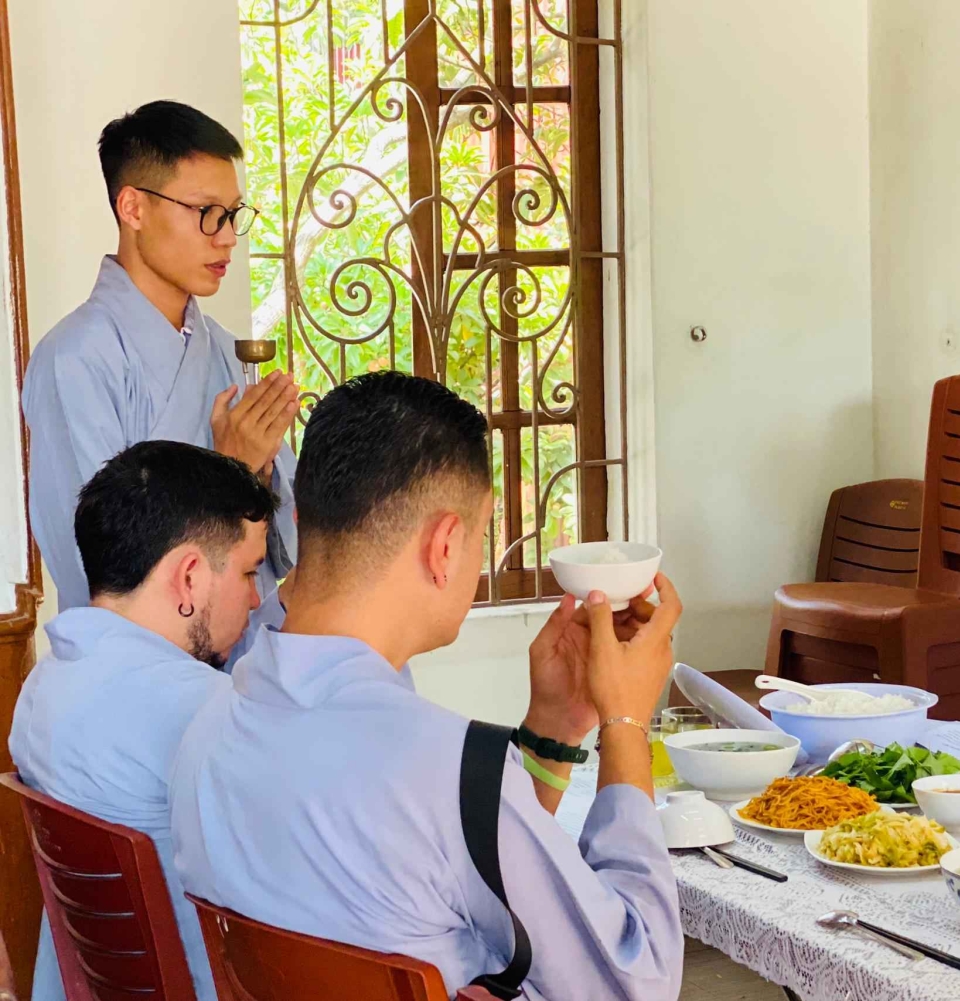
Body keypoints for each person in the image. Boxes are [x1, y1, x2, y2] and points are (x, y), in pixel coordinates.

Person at [170, 371, 684, 1000]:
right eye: (481, 533)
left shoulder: (211, 725)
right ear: (444, 545)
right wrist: (625, 722)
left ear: (304, 519)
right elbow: (639, 980)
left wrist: (555, 724)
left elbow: (471, 870)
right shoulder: (440, 764)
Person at [10, 440, 278, 1001]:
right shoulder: (208, 710)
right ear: (189, 577)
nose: (256, 601)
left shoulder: (42, 687)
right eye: (250, 572)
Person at [22, 100, 298, 624]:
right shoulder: (75, 359)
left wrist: (259, 475)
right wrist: (232, 473)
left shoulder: (223, 348)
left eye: (234, 214)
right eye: (206, 213)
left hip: (243, 657)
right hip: (140, 672)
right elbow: (100, 569)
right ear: (133, 209)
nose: (227, 237)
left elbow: (286, 544)